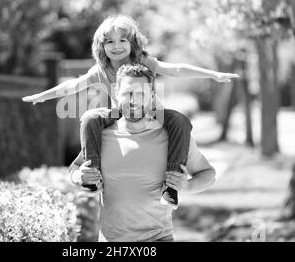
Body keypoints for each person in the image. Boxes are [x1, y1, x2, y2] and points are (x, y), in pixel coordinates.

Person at [22, 15, 235, 208]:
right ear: (101, 46)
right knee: (90, 117)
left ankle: (170, 187)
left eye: (122, 40)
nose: (116, 46)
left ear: (132, 43)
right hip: (121, 114)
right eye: (110, 41)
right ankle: (93, 178)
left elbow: (176, 69)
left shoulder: (143, 62)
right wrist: (42, 96)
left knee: (179, 120)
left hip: (154, 114)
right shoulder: (101, 70)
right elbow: (73, 86)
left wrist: (212, 74)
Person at [69, 63, 215, 242]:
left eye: (141, 94)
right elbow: (75, 168)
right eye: (128, 93)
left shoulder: (173, 138)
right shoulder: (101, 135)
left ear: (152, 96)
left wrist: (188, 186)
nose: (133, 100)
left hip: (158, 238)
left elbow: (208, 174)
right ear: (116, 93)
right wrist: (78, 176)